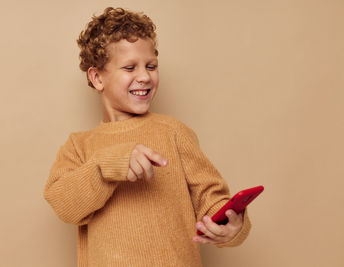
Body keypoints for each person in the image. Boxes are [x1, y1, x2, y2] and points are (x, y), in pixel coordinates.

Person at [43, 7, 251, 267]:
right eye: (130, 67)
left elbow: (210, 198)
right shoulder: (79, 146)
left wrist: (230, 224)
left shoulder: (173, 132)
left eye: (151, 66)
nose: (144, 76)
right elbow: (65, 205)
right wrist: (106, 166)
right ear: (97, 77)